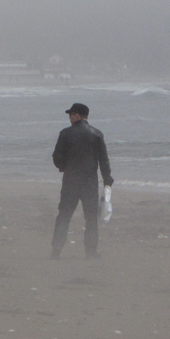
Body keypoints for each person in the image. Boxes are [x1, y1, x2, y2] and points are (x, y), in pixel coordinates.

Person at [50, 103, 113, 259]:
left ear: (76, 116)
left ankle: (56, 250)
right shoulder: (97, 134)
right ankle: (91, 252)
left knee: (64, 216)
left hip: (70, 182)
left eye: (70, 115)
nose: (70, 118)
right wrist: (107, 179)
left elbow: (56, 157)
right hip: (89, 183)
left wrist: (63, 166)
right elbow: (103, 160)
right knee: (91, 219)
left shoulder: (65, 133)